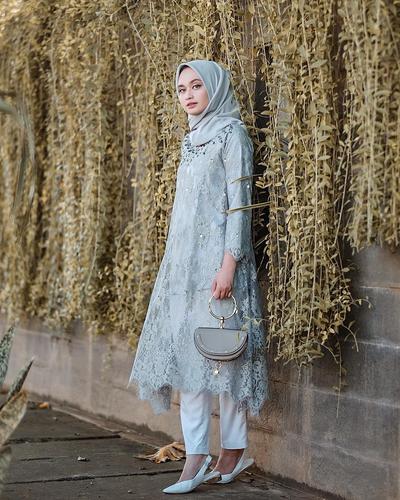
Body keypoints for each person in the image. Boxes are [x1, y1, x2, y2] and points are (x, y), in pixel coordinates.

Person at [126, 59, 269, 494]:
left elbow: (240, 204)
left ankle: (233, 449)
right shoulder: (191, 139)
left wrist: (229, 264)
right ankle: (196, 453)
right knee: (190, 361)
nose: (188, 95)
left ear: (215, 88)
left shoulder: (232, 135)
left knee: (225, 358)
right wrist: (173, 264)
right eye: (181, 89)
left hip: (220, 266)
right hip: (184, 267)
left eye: (196, 86)